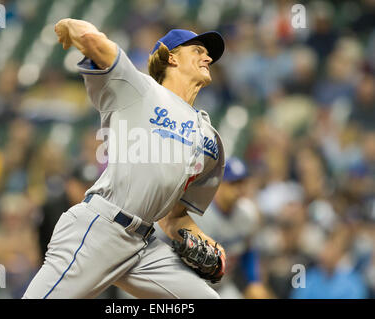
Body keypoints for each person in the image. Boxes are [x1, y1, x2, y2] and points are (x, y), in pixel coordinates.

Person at [23, 18, 227, 299]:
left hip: (143, 246)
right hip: (100, 228)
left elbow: (174, 217)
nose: (207, 57)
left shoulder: (208, 138)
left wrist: (203, 241)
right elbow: (96, 44)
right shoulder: (139, 89)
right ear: (171, 58)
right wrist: (71, 25)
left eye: (208, 54)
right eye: (197, 50)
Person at [189, 157, 272, 298]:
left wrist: (254, 281)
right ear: (218, 183)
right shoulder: (196, 214)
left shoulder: (247, 214)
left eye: (242, 183)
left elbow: (248, 251)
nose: (239, 189)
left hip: (223, 286)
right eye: (233, 183)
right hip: (191, 286)